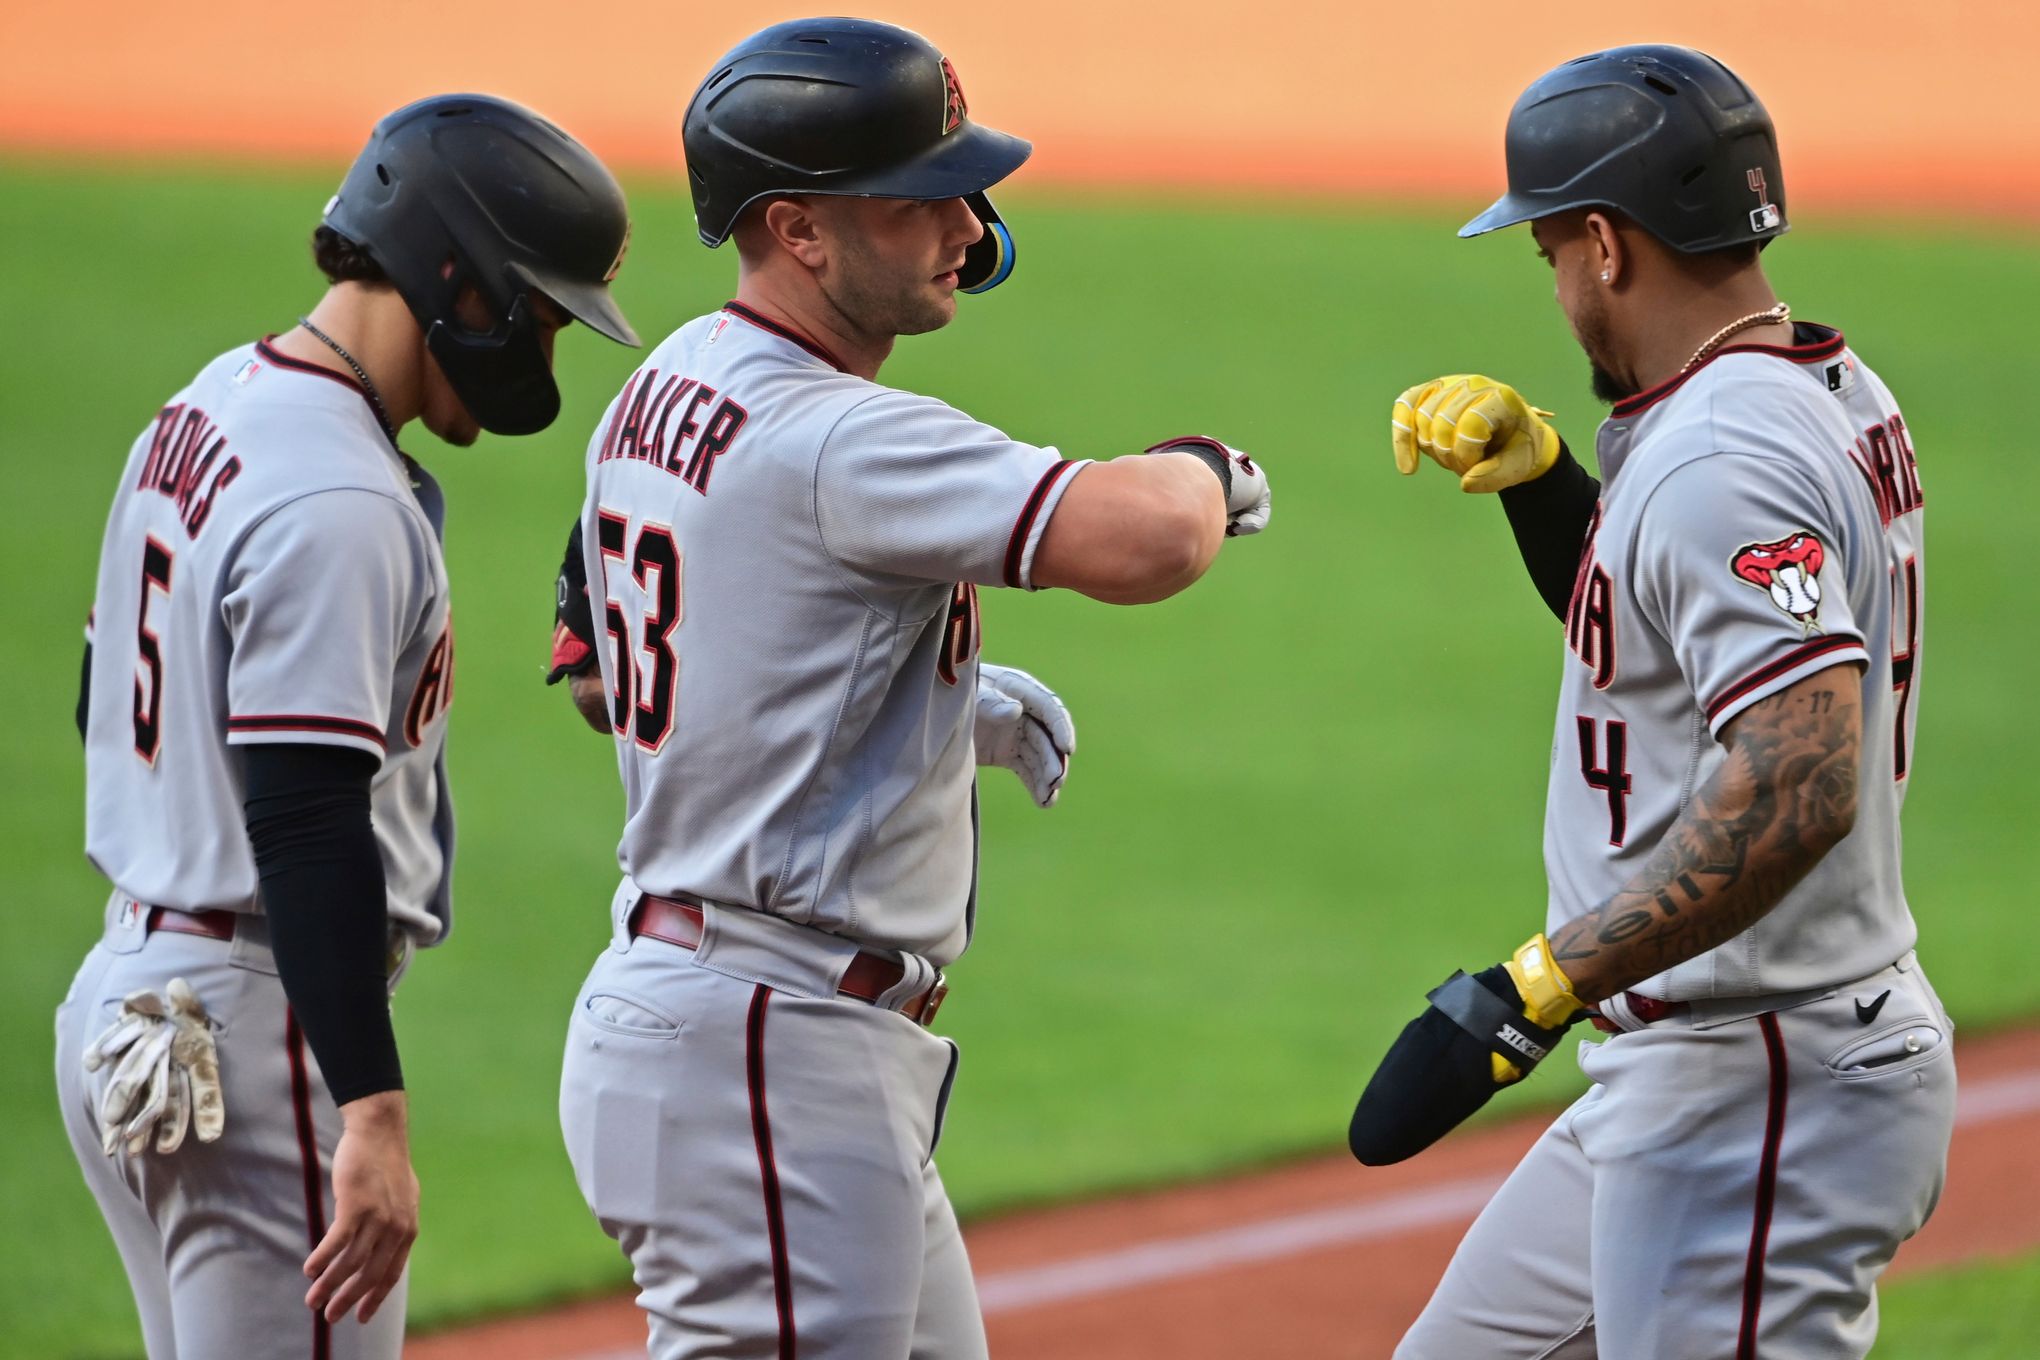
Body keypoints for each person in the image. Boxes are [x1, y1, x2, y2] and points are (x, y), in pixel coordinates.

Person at [549, 17, 1271, 1358]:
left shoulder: (659, 389)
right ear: (800, 230)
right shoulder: (837, 433)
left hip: (734, 1022)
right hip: (769, 1050)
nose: (965, 220)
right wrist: (1206, 465)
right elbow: (1148, 539)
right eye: (920, 197)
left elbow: (601, 674)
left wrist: (936, 710)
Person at [1345, 45, 1951, 1359]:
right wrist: (1548, 481)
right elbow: (1665, 653)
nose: (1558, 283)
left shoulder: (1721, 456)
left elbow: (1799, 776)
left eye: (1551, 252)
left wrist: (1543, 982)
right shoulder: (1815, 387)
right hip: (1695, 1061)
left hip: (1762, 1076)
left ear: (1608, 246)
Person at [57, 94, 638, 1359]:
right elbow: (308, 822)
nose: (542, 348)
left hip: (128, 992)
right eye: (535, 312)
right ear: (456, 277)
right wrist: (367, 1110)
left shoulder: (206, 409)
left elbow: (99, 698)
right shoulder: (337, 494)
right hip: (252, 1037)